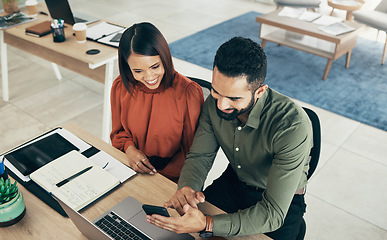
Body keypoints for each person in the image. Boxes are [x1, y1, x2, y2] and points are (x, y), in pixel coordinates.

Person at [146, 37, 313, 239]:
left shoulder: (292, 125)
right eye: (216, 91)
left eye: (234, 98)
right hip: (234, 182)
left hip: (279, 202)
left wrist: (207, 223)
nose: (221, 105)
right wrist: (187, 189)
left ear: (260, 91)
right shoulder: (213, 104)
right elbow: (200, 156)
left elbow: (273, 214)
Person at [110, 22, 204, 182]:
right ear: (127, 67)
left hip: (172, 178)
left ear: (165, 58)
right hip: (132, 168)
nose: (149, 77)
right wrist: (129, 149)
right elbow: (119, 133)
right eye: (138, 71)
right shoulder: (121, 86)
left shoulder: (188, 93)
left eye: (155, 67)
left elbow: (195, 152)